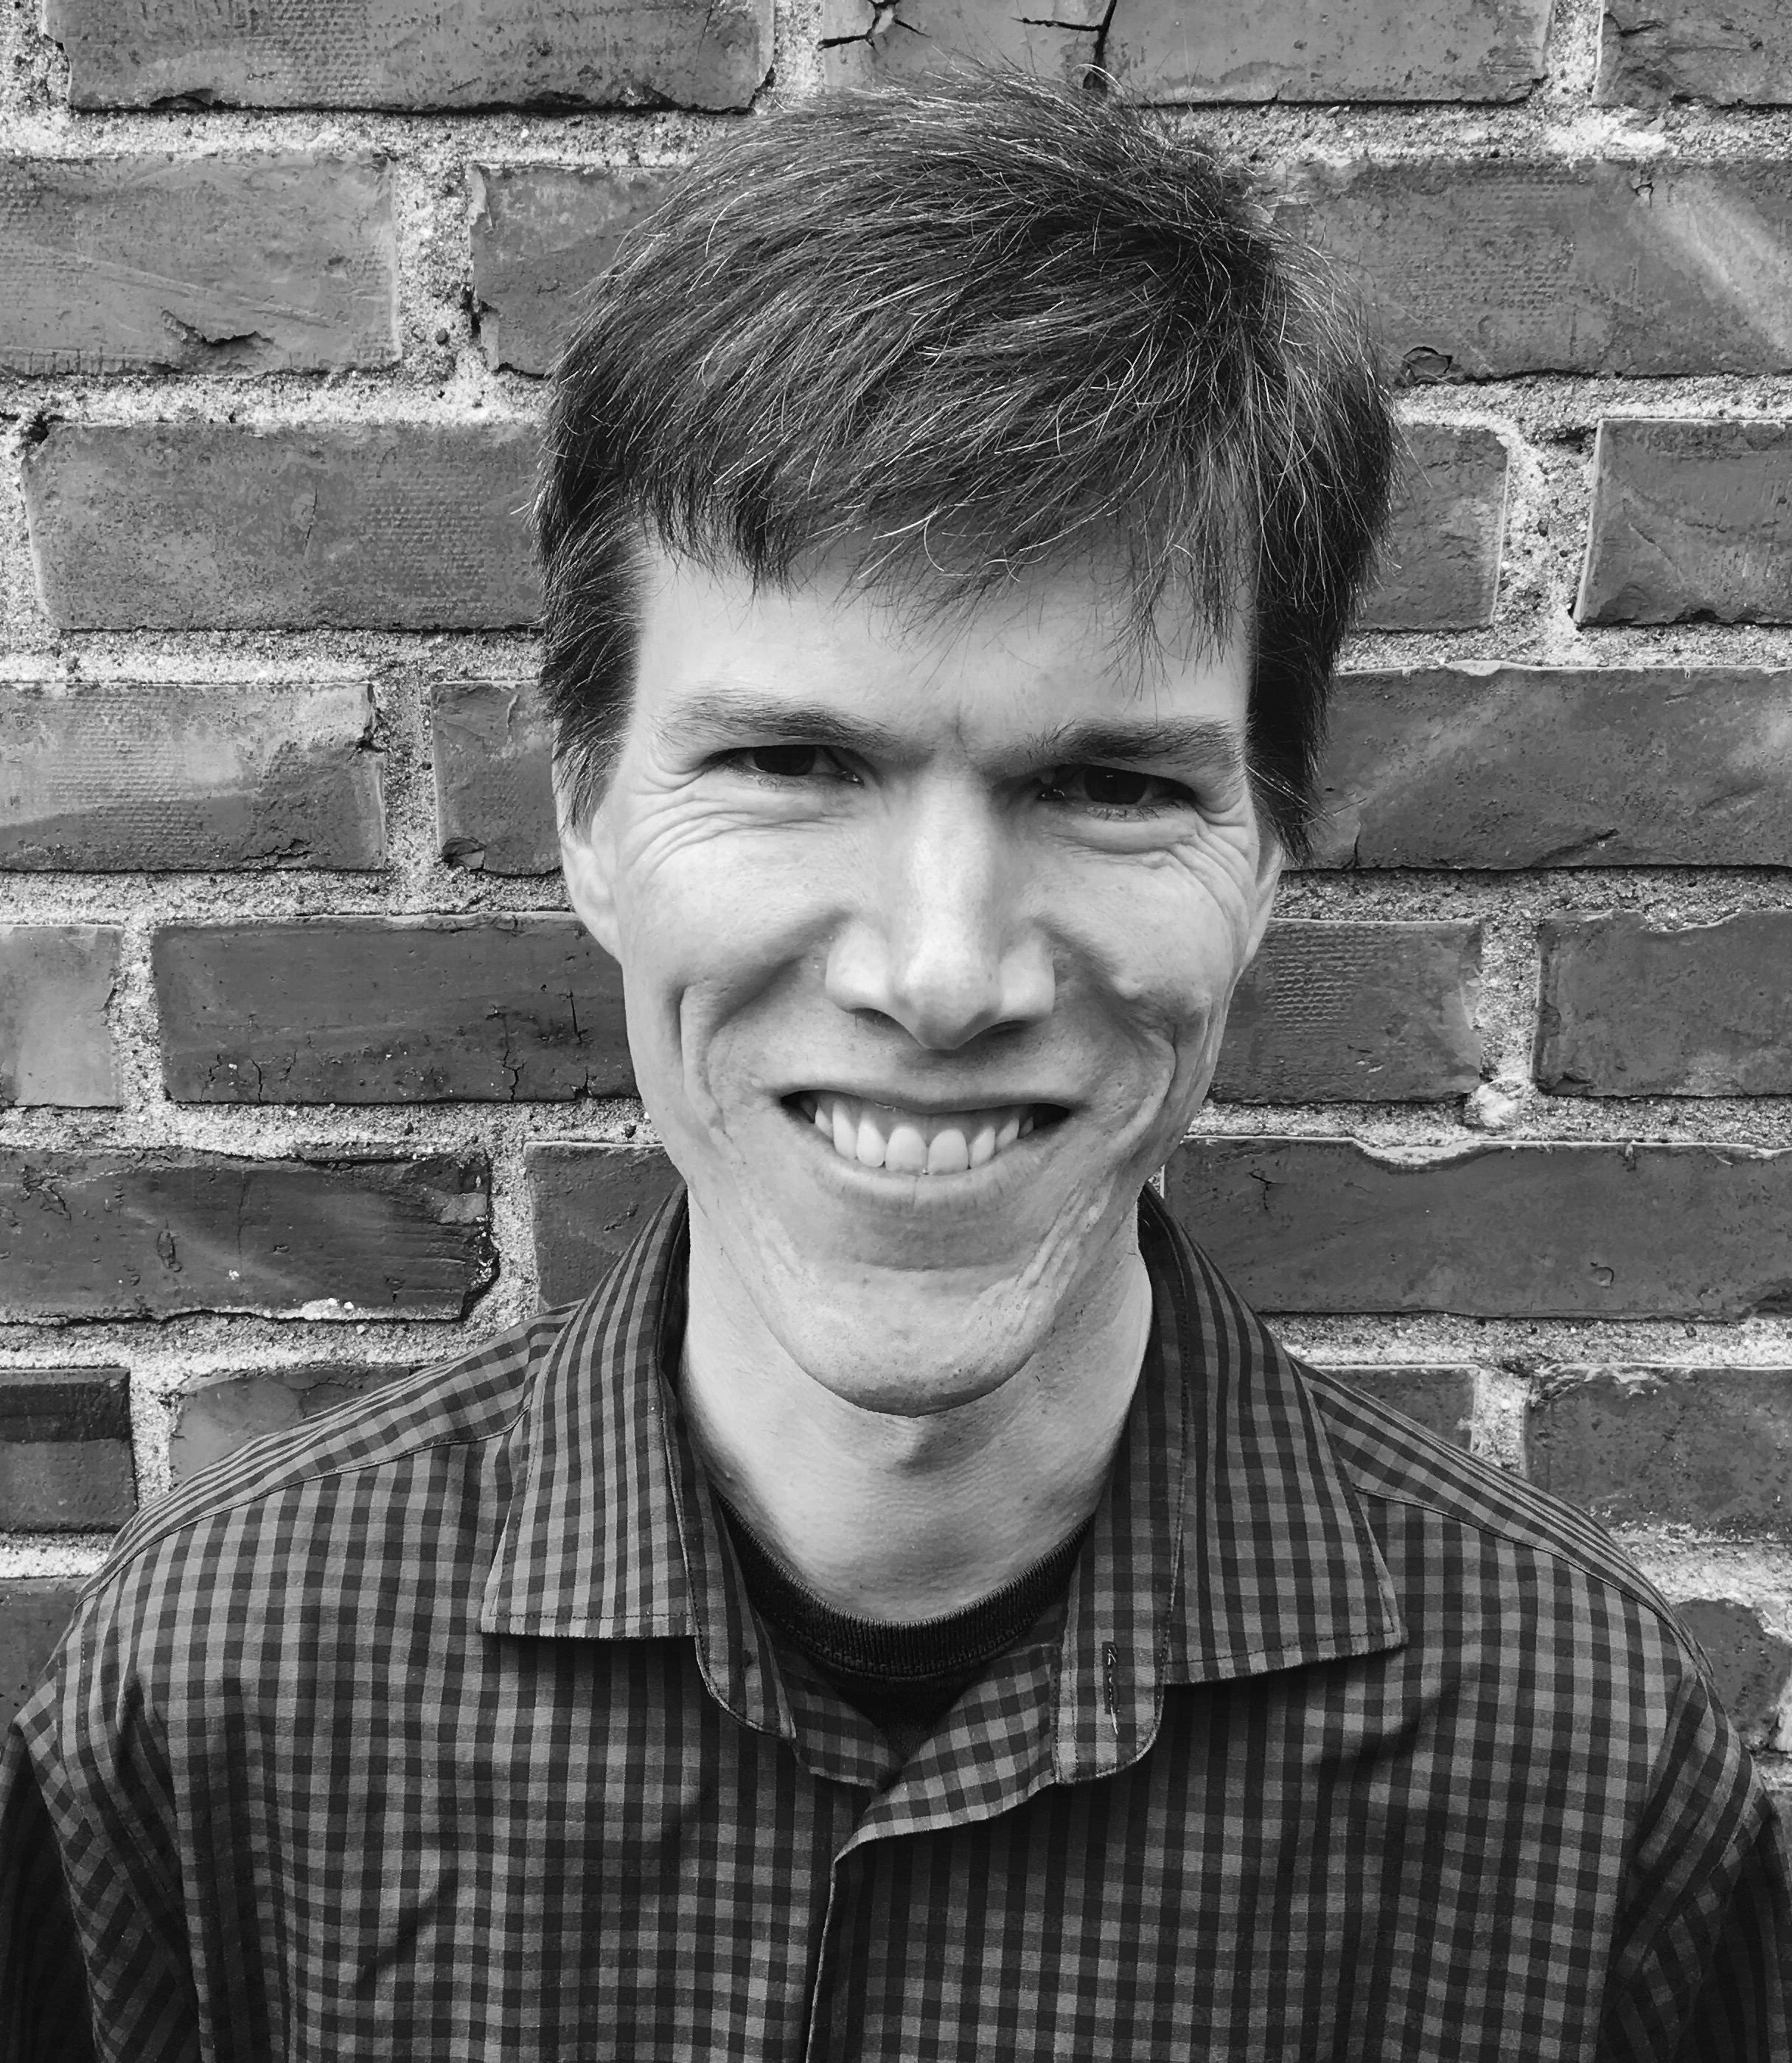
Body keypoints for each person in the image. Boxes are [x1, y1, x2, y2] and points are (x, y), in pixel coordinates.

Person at [2, 75, 1785, 2063]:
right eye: (790, 763)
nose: (942, 974)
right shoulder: (214, 1706)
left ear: (1270, 856)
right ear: (587, 814)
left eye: (1109, 784)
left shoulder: (1584, 1775)